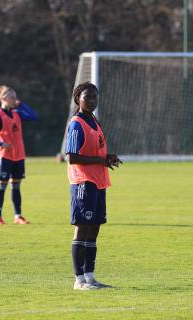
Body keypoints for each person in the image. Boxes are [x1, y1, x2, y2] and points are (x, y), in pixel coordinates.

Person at [65, 82, 122, 290]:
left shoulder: (94, 121)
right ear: (78, 98)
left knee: (95, 229)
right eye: (87, 97)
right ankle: (78, 280)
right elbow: (71, 157)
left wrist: (107, 157)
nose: (91, 100)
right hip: (83, 182)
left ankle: (90, 277)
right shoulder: (77, 123)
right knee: (82, 229)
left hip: (98, 181)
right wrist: (101, 161)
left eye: (95, 97)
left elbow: (95, 151)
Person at [0, 85, 38, 225]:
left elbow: (34, 116)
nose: (15, 99)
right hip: (4, 156)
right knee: (2, 186)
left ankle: (18, 216)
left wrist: (21, 104)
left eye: (15, 97)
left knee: (16, 186)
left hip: (19, 155)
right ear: (3, 98)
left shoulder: (17, 112)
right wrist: (0, 143)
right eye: (12, 97)